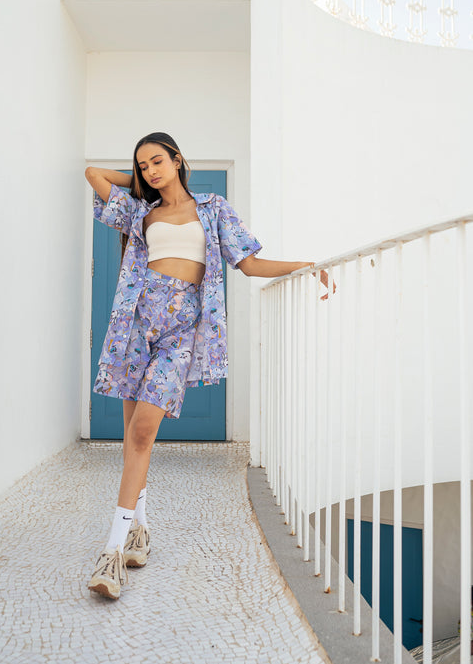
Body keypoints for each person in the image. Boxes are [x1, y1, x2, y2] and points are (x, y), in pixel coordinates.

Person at [84, 131, 335, 600]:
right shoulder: (142, 212)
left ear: (178, 160)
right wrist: (137, 186)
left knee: (142, 432)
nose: (150, 171)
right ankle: (138, 530)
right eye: (142, 166)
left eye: (157, 161)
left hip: (182, 330)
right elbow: (93, 175)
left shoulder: (213, 207)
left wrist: (303, 264)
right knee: (132, 435)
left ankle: (112, 552)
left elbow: (249, 263)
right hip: (136, 323)